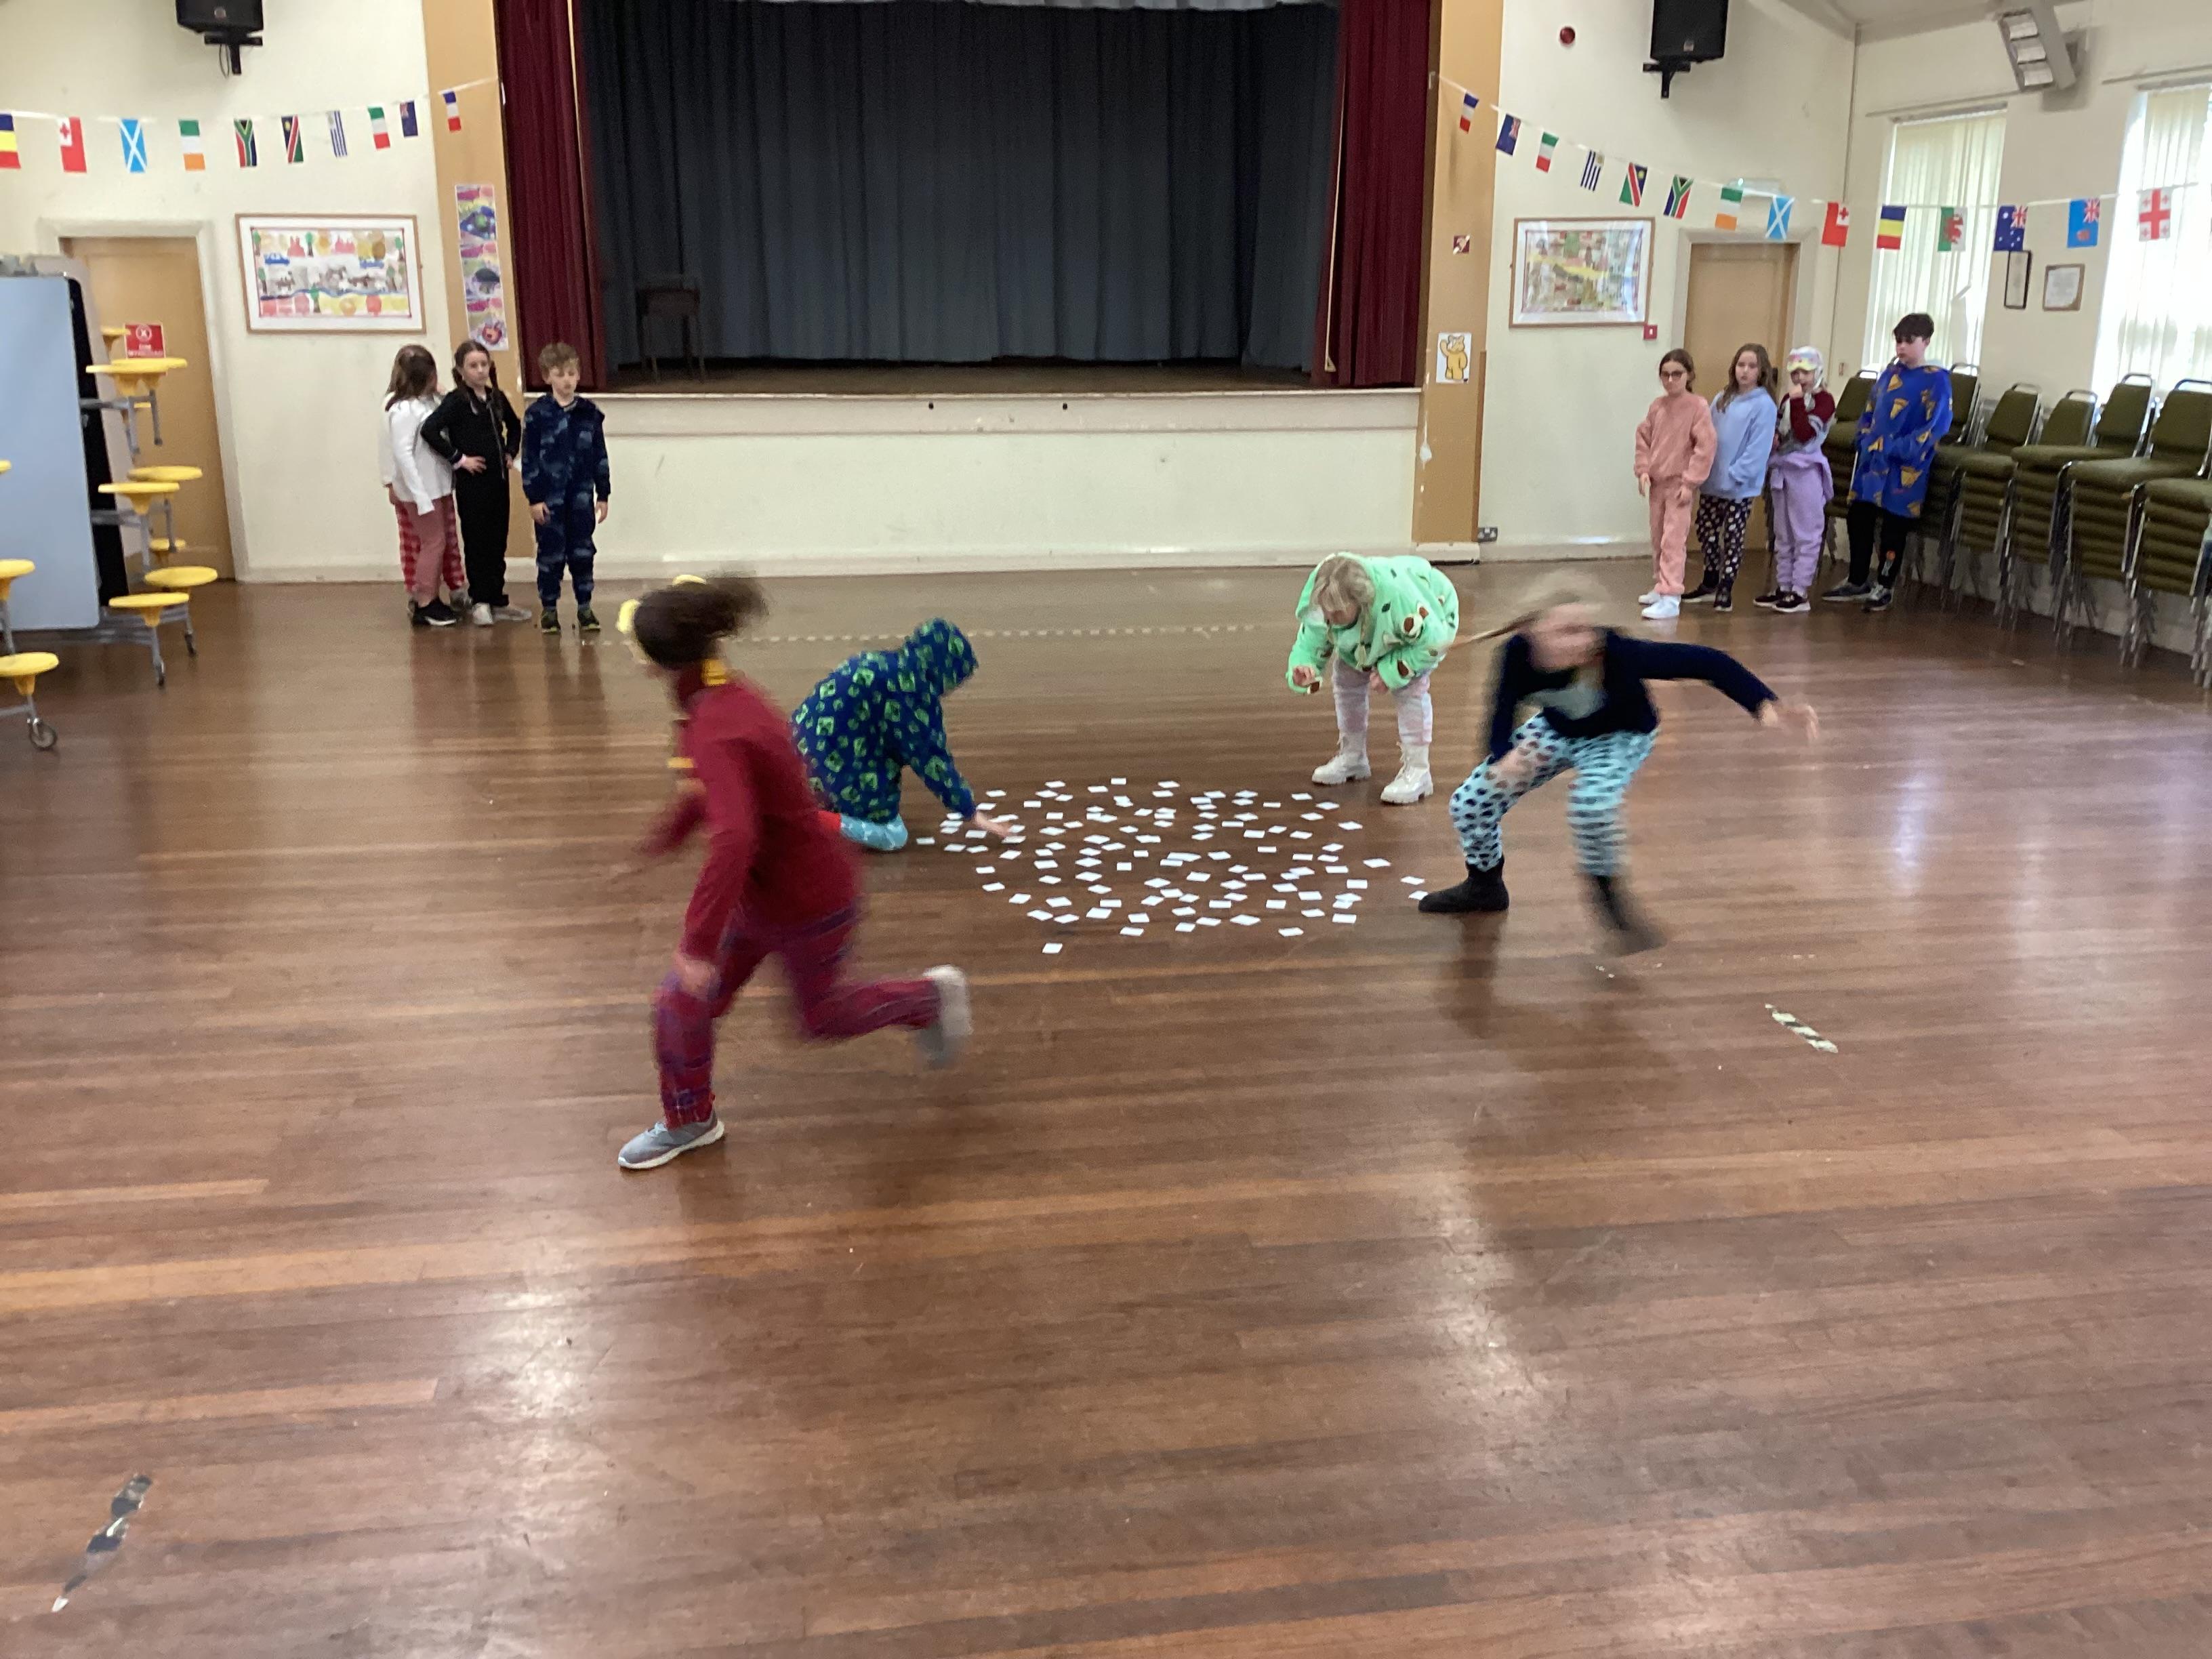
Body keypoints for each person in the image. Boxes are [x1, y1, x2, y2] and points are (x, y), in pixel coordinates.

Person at [613, 577, 972, 1171]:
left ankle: (930, 998)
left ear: (657, 663)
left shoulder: (715, 724)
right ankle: (690, 1120)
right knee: (681, 1005)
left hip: (811, 900)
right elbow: (717, 794)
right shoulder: (720, 696)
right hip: (764, 895)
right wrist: (665, 839)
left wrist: (697, 944)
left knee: (820, 1017)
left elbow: (734, 837)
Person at [1418, 573, 1818, 951]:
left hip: (1620, 736)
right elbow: (1501, 712)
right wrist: (1502, 757)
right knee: (1470, 803)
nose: (1582, 641)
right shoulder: (1516, 655)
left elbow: (1706, 662)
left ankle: (1610, 898)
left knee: (1591, 804)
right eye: (1567, 631)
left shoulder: (1617, 653)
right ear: (1532, 630)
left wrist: (1763, 703)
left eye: (1587, 629)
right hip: (1558, 730)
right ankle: (1485, 885)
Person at [792, 620, 1012, 851]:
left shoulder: (878, 660)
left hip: (794, 750)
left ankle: (811, 800)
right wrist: (971, 812)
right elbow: (931, 760)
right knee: (894, 834)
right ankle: (816, 821)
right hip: (827, 767)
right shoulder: (913, 697)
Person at [1286, 553, 1461, 805]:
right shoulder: (1325, 605)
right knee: (1346, 677)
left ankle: (1419, 771)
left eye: (1338, 612)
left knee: (1410, 690)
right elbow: (1311, 640)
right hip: (1372, 632)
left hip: (1426, 621)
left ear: (1360, 601)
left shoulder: (1400, 599)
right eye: (1326, 611)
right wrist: (1304, 666)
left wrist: (1392, 671)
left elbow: (1434, 642)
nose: (1330, 618)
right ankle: (1353, 756)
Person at [1827, 312, 1951, 613]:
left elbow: (1935, 426)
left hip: (1906, 466)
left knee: (1894, 528)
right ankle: (1857, 579)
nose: (1902, 347)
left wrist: (1897, 448)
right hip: (1874, 461)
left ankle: (1885, 584)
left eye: (1909, 341)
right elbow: (1870, 410)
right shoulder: (1889, 374)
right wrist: (1864, 437)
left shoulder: (1937, 380)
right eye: (1898, 341)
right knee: (1859, 515)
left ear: (1926, 342)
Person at [420, 339, 528, 627]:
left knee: (497, 540)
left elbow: (515, 425)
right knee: (478, 541)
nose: (480, 370)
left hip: (498, 482)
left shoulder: (496, 398)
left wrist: (510, 452)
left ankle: (497, 598)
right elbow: (429, 430)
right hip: (473, 485)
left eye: (484, 364)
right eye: (473, 366)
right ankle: (480, 599)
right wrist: (459, 459)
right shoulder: (456, 401)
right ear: (461, 370)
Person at [521, 342, 611, 636]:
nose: (567, 380)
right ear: (547, 377)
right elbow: (530, 459)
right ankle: (549, 609)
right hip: (549, 499)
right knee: (550, 555)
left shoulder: (589, 413)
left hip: (581, 497)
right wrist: (534, 498)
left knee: (582, 553)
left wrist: (603, 494)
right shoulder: (537, 415)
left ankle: (585, 607)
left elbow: (599, 455)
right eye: (560, 374)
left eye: (572, 373)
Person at [377, 344, 467, 628]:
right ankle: (425, 602)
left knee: (439, 542)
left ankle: (431, 598)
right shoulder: (403, 410)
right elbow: (403, 454)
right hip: (421, 491)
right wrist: (420, 496)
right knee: (433, 542)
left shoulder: (427, 403)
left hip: (436, 486)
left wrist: (440, 392)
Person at [1687, 344, 1779, 613]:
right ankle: (1710, 580)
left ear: (1761, 371)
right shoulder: (1722, 398)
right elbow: (1707, 434)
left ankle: (1726, 586)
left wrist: (1736, 474)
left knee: (1733, 536)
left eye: (1752, 366)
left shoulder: (1764, 405)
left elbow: (1758, 447)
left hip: (1739, 486)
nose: (1745, 371)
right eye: (1741, 365)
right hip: (1713, 480)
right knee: (1706, 531)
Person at [1634, 350, 1718, 621]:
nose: (1670, 380)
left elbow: (1705, 447)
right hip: (1658, 484)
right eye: (1665, 375)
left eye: (1677, 374)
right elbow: (1644, 438)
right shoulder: (1657, 407)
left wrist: (1691, 481)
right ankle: (1662, 585)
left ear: (1689, 375)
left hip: (1680, 485)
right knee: (1658, 536)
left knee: (1673, 540)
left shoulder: (1697, 407)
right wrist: (1643, 470)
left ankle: (1671, 596)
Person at [1761, 346, 1838, 616]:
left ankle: (1800, 590)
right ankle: (1784, 586)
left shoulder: (1824, 401)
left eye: (1805, 372)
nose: (1799, 378)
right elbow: (1781, 429)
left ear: (1817, 372)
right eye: (1795, 373)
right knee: (1783, 534)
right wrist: (1773, 438)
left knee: (1806, 533)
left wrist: (1796, 403)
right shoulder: (1788, 399)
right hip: (1781, 470)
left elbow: (1805, 434)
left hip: (1806, 472)